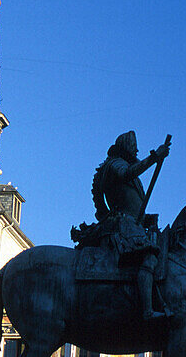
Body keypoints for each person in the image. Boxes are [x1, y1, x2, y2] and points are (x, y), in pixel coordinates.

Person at [72, 131, 171, 321]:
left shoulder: (122, 166)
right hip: (123, 224)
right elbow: (127, 173)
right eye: (134, 148)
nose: (137, 151)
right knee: (149, 259)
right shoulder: (115, 165)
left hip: (133, 222)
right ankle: (147, 311)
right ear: (126, 148)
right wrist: (154, 157)